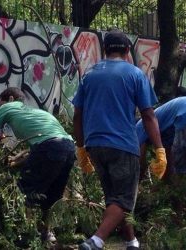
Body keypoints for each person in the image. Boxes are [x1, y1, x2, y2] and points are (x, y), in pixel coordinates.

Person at [73, 29, 166, 250]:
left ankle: (131, 242)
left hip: (95, 146)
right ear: (127, 51)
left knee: (115, 199)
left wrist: (81, 148)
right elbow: (148, 115)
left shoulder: (89, 75)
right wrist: (160, 149)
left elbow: (78, 115)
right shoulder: (134, 74)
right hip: (123, 145)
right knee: (123, 200)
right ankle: (96, 240)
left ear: (104, 50)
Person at [0, 87, 75, 243]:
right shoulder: (38, 113)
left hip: (49, 147)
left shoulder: (7, 107)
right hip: (68, 148)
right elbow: (39, 153)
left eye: (0, 103)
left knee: (26, 191)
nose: (0, 108)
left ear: (9, 99)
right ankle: (46, 234)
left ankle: (26, 235)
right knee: (51, 195)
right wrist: (15, 162)